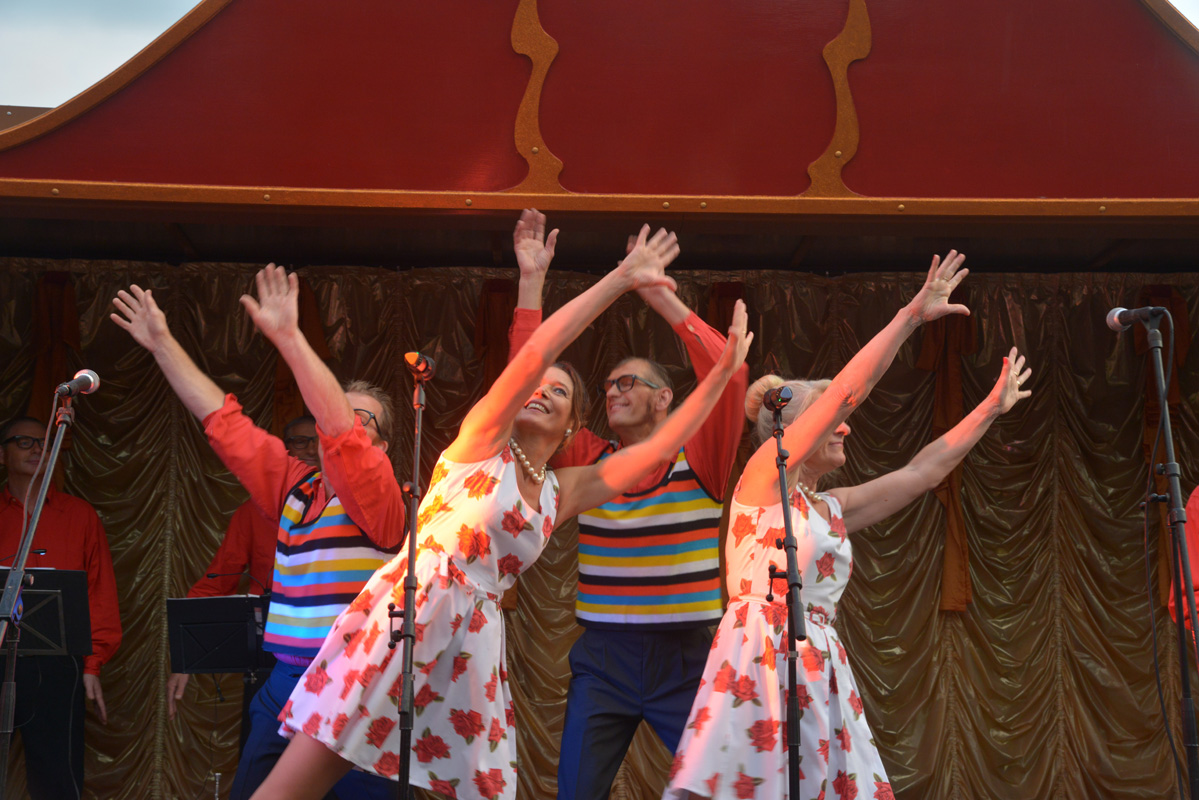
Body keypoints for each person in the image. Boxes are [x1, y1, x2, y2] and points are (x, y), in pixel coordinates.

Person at [249, 221, 751, 800]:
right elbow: (535, 353)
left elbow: (658, 449)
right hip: (415, 609)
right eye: (536, 384)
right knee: (303, 778)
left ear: (573, 425)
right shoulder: (482, 444)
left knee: (484, 788)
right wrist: (618, 279)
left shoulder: (560, 489)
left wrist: (721, 377)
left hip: (476, 637)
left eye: (559, 391)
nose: (541, 390)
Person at [665, 253, 1032, 800]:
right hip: (759, 654)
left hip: (817, 656)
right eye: (832, 420)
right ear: (794, 429)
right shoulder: (763, 477)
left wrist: (989, 410)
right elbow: (845, 393)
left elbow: (921, 472)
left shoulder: (830, 507)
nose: (846, 427)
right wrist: (910, 316)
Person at [111, 271, 406, 800]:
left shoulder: (384, 496)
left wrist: (290, 339)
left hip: (356, 687)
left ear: (382, 447)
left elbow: (342, 435)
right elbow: (223, 423)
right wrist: (162, 343)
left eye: (362, 418)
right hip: (283, 682)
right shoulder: (296, 486)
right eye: (336, 407)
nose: (341, 421)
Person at [508, 210, 749, 799]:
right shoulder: (590, 460)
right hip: (604, 658)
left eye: (628, 383)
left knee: (725, 790)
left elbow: (729, 376)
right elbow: (521, 383)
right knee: (576, 792)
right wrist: (530, 285)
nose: (613, 391)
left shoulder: (702, 457)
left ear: (665, 398)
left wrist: (656, 293)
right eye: (609, 385)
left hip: (686, 656)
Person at [166, 415, 318, 753]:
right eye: (300, 441)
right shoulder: (253, 513)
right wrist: (185, 659)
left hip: (335, 657)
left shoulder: (353, 509)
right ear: (286, 451)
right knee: (262, 757)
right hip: (272, 657)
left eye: (318, 440)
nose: (310, 449)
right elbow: (216, 582)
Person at [0, 415, 121, 800]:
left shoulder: (80, 515)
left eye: (45, 443)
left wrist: (93, 664)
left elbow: (100, 593)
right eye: (24, 442)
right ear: (2, 454)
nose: (37, 449)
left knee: (57, 780)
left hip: (57, 663)